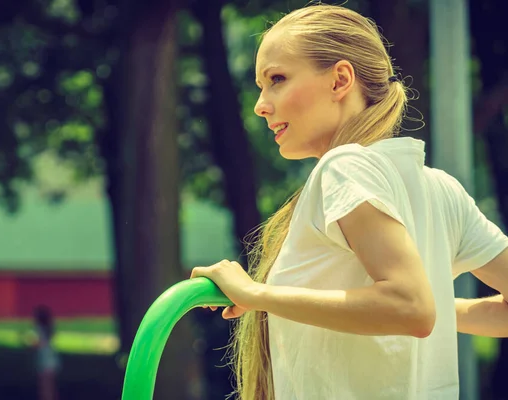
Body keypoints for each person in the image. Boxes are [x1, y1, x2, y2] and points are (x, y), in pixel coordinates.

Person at [191, 3, 508, 399]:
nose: (260, 104)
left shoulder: (344, 167)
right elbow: (418, 308)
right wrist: (443, 309)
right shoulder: (439, 188)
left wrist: (254, 294)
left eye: (277, 79)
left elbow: (410, 306)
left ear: (340, 80)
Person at [32, 305, 61, 400]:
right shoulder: (49, 328)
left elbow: (39, 343)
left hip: (44, 361)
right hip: (52, 359)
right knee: (51, 386)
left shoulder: (39, 329)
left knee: (45, 387)